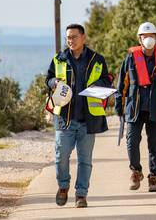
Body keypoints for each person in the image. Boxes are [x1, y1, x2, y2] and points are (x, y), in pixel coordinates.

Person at [46, 24, 110, 208]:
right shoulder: (59, 59)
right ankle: (63, 186)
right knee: (61, 156)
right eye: (68, 37)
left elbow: (107, 80)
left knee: (85, 160)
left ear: (83, 37)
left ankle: (81, 195)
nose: (70, 40)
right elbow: (48, 78)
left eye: (74, 37)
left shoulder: (97, 59)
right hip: (64, 119)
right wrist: (53, 82)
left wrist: (99, 84)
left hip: (88, 120)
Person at [115, 22, 156, 192]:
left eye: (151, 35)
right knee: (132, 142)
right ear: (139, 39)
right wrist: (119, 106)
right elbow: (121, 84)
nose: (148, 39)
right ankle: (136, 171)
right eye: (145, 36)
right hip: (134, 108)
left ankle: (154, 177)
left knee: (155, 145)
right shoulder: (130, 59)